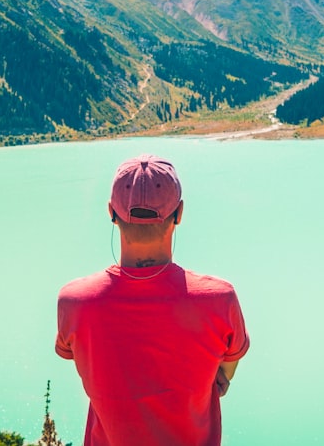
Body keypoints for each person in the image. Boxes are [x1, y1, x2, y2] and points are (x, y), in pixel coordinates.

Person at [55, 154, 250, 446]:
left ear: (111, 212)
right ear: (179, 213)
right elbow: (228, 364)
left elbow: (86, 362)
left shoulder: (75, 302)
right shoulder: (219, 299)